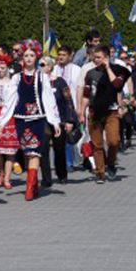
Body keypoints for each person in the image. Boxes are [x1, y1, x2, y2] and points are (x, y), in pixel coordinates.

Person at [0, 39, 61, 200]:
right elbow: (10, 100)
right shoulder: (16, 78)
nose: (28, 58)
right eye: (25, 55)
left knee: (35, 153)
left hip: (37, 119)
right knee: (28, 153)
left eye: (31, 55)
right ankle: (33, 185)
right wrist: (2, 122)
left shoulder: (42, 77)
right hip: (21, 119)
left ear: (36, 57)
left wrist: (54, 121)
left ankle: (29, 188)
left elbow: (48, 99)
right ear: (21, 58)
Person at [78, 45, 129, 181]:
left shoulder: (117, 70)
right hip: (95, 111)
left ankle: (111, 163)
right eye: (94, 57)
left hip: (111, 111)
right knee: (97, 144)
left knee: (114, 141)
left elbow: (117, 85)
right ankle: (100, 171)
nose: (96, 60)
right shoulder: (90, 73)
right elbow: (86, 95)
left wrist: (107, 68)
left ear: (107, 58)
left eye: (99, 57)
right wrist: (82, 112)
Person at [40, 57, 77, 186]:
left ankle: (62, 174)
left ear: (50, 67)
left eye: (43, 64)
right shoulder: (37, 82)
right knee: (43, 149)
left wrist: (69, 120)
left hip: (59, 120)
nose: (41, 67)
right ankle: (46, 178)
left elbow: (68, 101)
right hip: (43, 120)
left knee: (59, 149)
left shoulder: (60, 82)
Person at [0, 52, 18, 189]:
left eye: (2, 68)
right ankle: (0, 170)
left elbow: (12, 101)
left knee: (9, 150)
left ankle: (7, 177)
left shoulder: (12, 83)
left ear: (7, 68)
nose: (0, 70)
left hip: (8, 116)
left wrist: (4, 118)